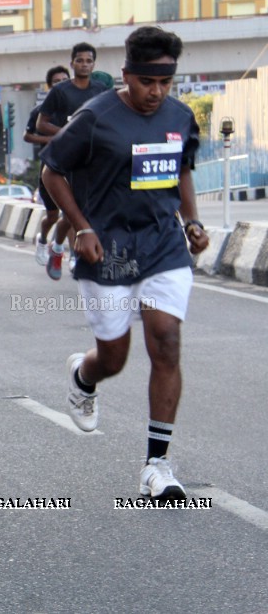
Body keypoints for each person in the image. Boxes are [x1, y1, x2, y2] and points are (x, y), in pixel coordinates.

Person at [40, 25, 208, 501]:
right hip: (107, 250)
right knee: (114, 357)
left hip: (162, 247)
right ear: (127, 75)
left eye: (165, 83)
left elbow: (182, 169)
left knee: (167, 341)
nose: (156, 93)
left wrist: (192, 222)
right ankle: (84, 376)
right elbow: (53, 171)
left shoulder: (178, 116)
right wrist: (81, 227)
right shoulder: (95, 117)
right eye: (147, 82)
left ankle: (157, 465)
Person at [38, 42, 107, 281]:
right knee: (69, 213)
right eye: (80, 60)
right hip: (68, 160)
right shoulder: (60, 91)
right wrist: (68, 133)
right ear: (72, 63)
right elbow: (41, 124)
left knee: (97, 210)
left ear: (94, 64)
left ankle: (90, 255)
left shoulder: (100, 91)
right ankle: (57, 250)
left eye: (89, 61)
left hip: (94, 159)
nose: (84, 64)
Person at [23, 66, 70, 265]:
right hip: (50, 169)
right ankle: (43, 240)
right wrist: (53, 138)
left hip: (74, 168)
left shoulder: (77, 109)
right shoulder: (40, 112)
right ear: (50, 86)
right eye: (56, 81)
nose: (61, 84)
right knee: (52, 215)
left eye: (64, 80)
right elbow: (28, 136)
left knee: (71, 214)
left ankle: (72, 256)